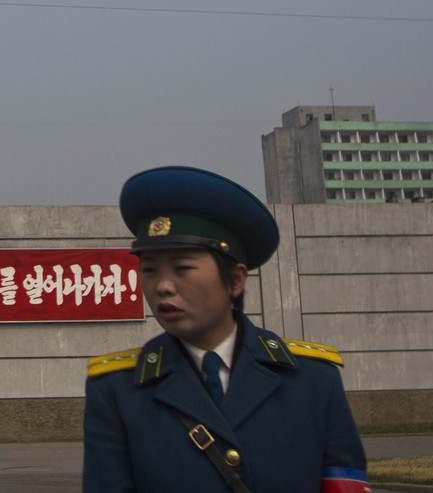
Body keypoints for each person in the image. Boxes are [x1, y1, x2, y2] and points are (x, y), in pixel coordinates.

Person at [83, 166, 370, 493]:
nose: (162, 286)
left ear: (235, 280)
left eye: (182, 269)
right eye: (149, 270)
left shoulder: (314, 381)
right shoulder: (118, 391)